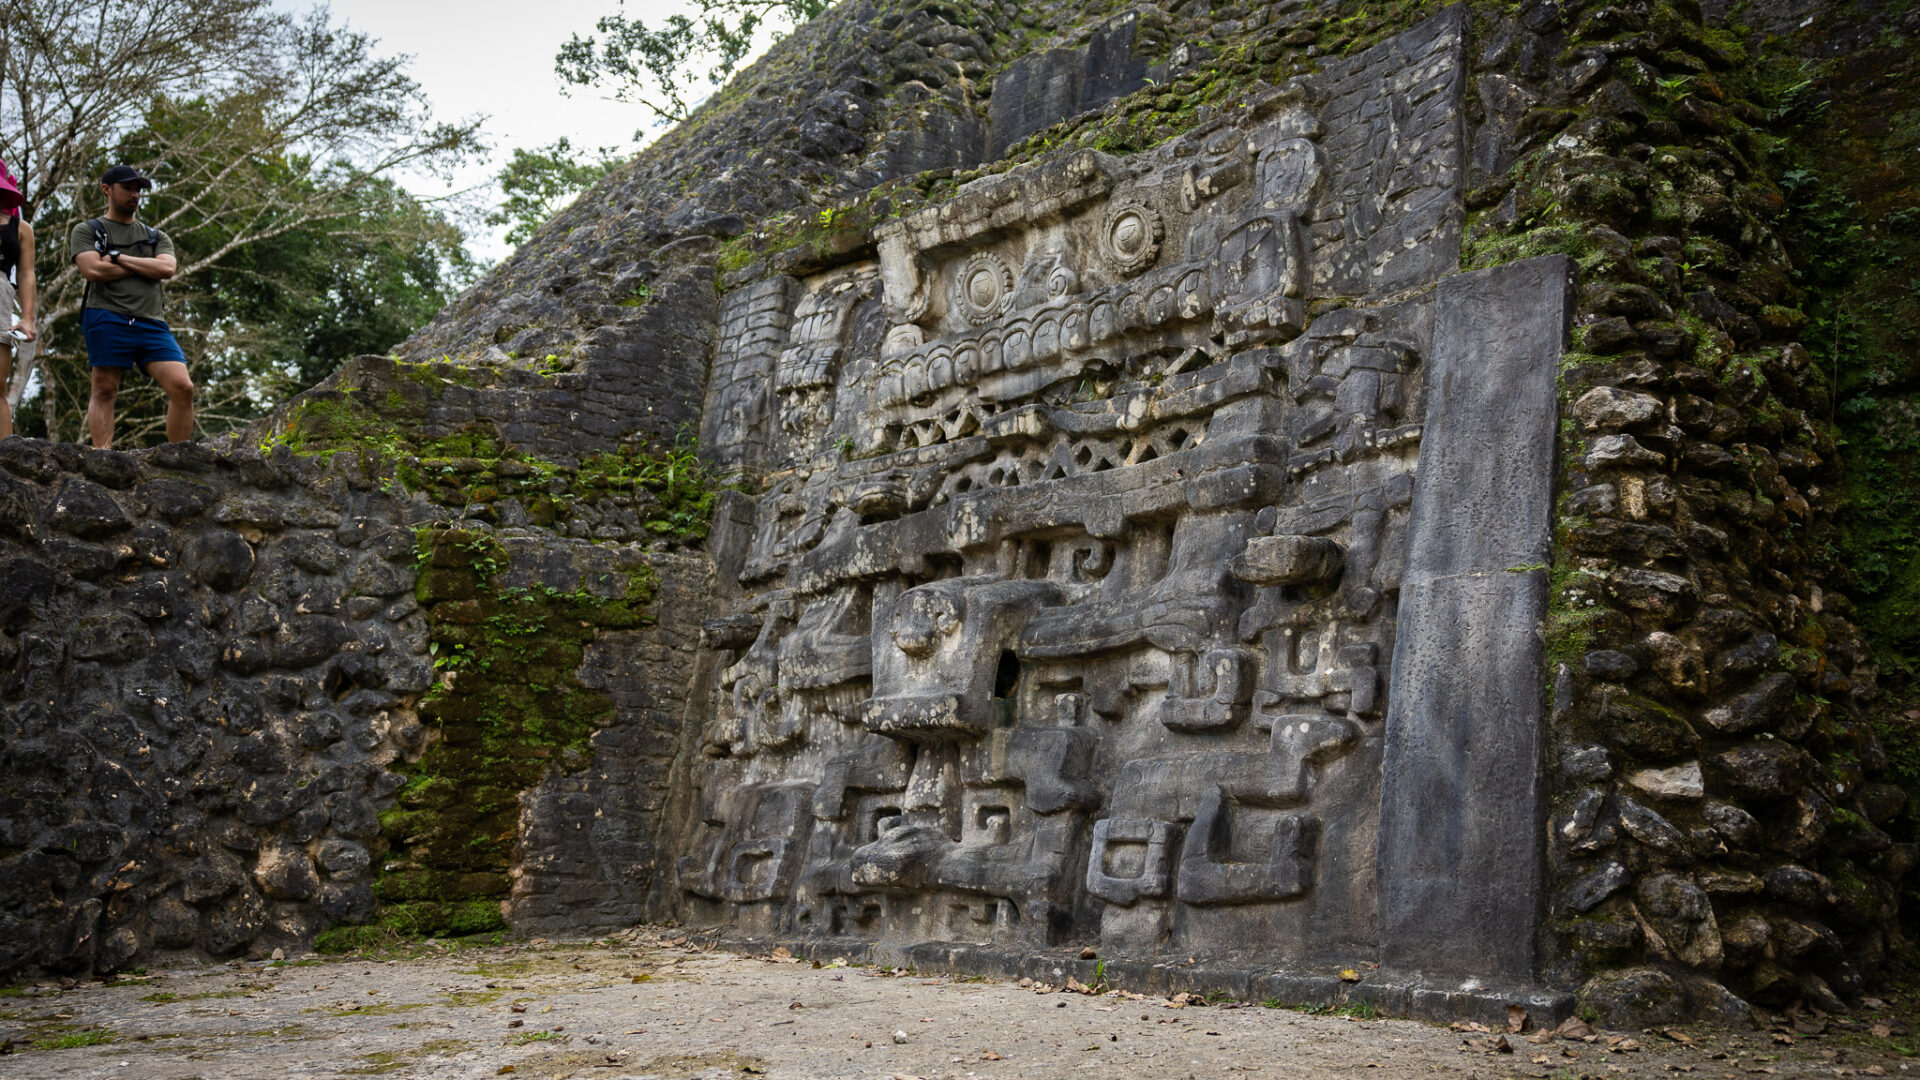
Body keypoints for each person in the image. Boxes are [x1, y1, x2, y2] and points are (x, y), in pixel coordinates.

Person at [71, 165, 193, 447]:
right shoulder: (88, 230)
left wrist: (118, 258)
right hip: (106, 315)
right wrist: (145, 266)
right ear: (107, 190)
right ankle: (103, 458)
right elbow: (93, 272)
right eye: (128, 187)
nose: (135, 194)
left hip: (152, 321)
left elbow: (167, 268)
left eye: (138, 189)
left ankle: (179, 459)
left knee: (183, 387)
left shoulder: (155, 236)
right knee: (105, 389)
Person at [0, 158, 33, 440]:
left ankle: (5, 462)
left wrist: (27, 317)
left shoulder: (20, 227)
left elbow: (26, 274)